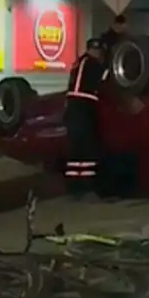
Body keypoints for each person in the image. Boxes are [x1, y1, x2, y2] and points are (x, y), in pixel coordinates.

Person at [64, 37, 109, 197]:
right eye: (97, 51)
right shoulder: (92, 64)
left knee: (76, 149)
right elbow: (106, 80)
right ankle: (87, 186)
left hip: (73, 108)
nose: (98, 54)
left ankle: (74, 186)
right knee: (88, 146)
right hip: (83, 108)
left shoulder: (80, 62)